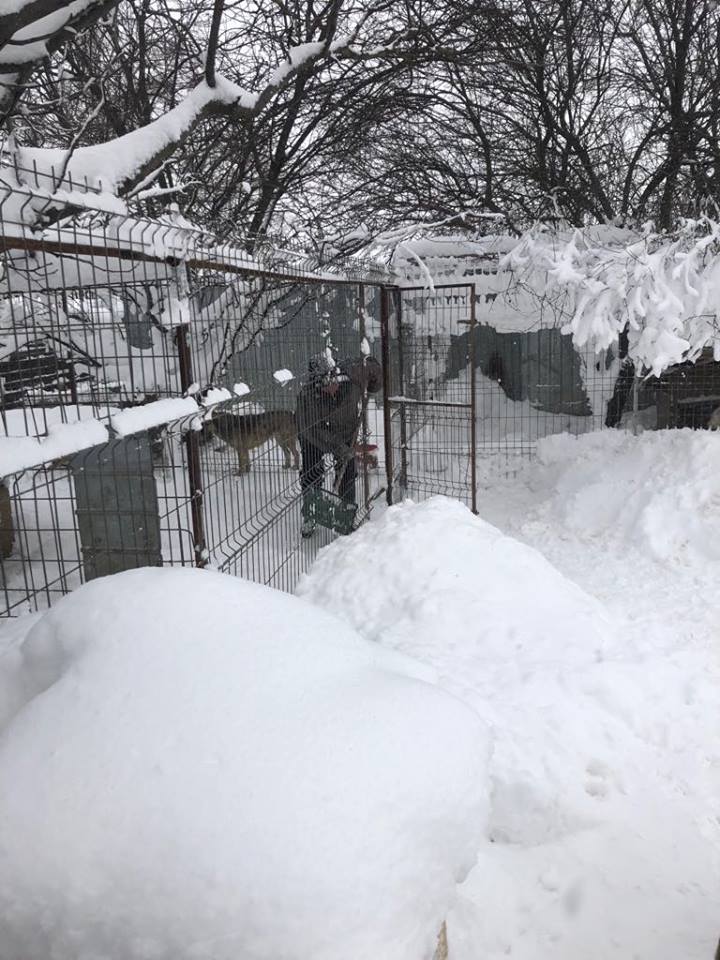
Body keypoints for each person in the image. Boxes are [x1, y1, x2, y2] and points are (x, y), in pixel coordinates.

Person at [296, 351, 381, 537]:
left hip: (345, 431)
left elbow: (372, 367)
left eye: (333, 380)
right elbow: (314, 432)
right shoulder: (307, 397)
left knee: (348, 472)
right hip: (314, 436)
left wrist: (373, 381)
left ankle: (345, 515)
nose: (332, 386)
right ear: (316, 383)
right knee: (312, 471)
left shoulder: (351, 375)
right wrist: (341, 449)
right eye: (325, 384)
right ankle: (311, 513)